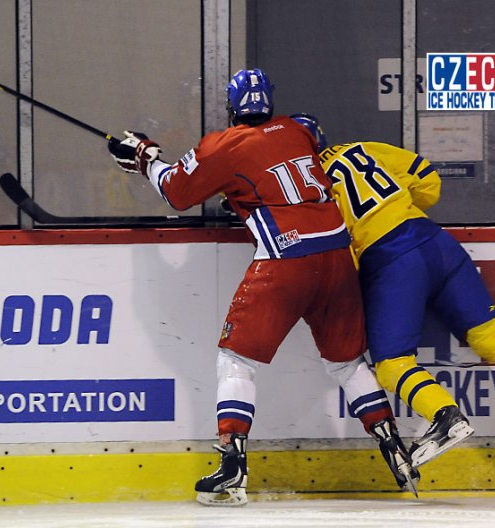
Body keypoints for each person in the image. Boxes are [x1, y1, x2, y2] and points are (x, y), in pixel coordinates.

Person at [107, 69, 419, 505]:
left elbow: (176, 192)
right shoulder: (298, 129)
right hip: (336, 254)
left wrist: (145, 156)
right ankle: (396, 451)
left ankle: (233, 469)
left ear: (232, 105)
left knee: (235, 361)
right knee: (348, 364)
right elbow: (277, 165)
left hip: (286, 259)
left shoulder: (223, 145)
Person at [295, 114, 495, 469]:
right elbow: (426, 176)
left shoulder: (310, 186)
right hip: (437, 242)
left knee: (392, 364)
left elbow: (338, 253)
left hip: (393, 261)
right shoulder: (361, 148)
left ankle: (445, 417)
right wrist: (403, 212)